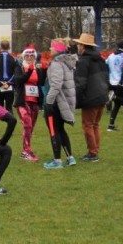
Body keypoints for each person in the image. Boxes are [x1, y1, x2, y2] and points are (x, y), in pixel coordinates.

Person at [73, 33, 109, 162]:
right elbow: (106, 77)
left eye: (79, 44)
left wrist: (77, 100)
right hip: (101, 95)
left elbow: (80, 83)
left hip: (91, 97)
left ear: (83, 46)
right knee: (95, 125)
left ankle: (92, 153)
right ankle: (95, 150)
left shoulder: (83, 61)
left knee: (88, 125)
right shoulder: (100, 59)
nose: (78, 46)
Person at [43, 38, 77, 169]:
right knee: (61, 129)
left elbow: (56, 85)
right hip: (64, 102)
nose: (49, 49)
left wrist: (48, 101)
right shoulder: (66, 62)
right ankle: (70, 157)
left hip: (55, 102)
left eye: (51, 47)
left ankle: (57, 161)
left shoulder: (57, 64)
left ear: (57, 49)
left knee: (54, 130)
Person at [12, 45, 45, 161]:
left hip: (34, 101)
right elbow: (18, 80)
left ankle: (26, 149)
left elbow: (41, 82)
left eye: (32, 55)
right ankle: (26, 151)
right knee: (27, 124)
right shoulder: (19, 67)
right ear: (23, 56)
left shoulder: (37, 68)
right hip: (23, 100)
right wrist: (29, 71)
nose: (29, 57)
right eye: (27, 55)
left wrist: (43, 70)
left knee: (31, 127)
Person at [105, 40, 123, 132]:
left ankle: (111, 125)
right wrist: (120, 82)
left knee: (117, 105)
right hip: (121, 83)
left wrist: (108, 79)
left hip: (111, 82)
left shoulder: (111, 56)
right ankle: (114, 97)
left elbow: (106, 67)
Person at [0, 40, 18, 112]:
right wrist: (8, 83)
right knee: (9, 107)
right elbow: (16, 73)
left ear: (1, 47)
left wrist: (0, 82)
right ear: (9, 47)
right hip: (9, 86)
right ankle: (10, 121)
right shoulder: (14, 59)